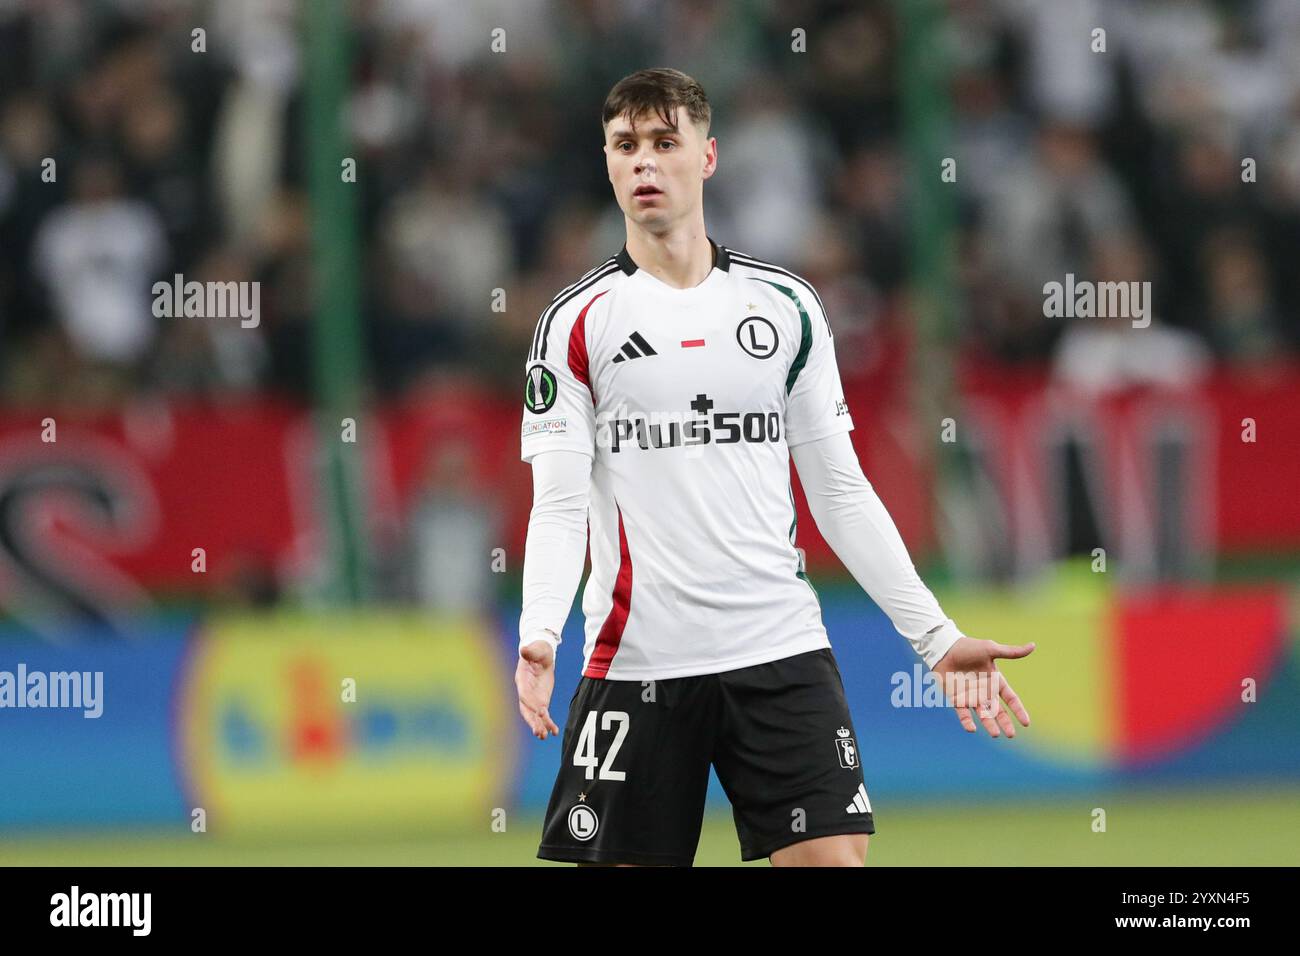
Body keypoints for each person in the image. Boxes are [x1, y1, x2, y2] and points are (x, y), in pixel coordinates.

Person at [515, 68, 1034, 867]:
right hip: (637, 662)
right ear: (609, 163)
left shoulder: (784, 307)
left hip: (778, 651)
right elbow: (555, 505)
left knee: (832, 862)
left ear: (708, 156)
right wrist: (541, 631)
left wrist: (935, 637)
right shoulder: (576, 323)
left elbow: (838, 490)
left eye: (664, 142)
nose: (644, 163)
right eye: (625, 147)